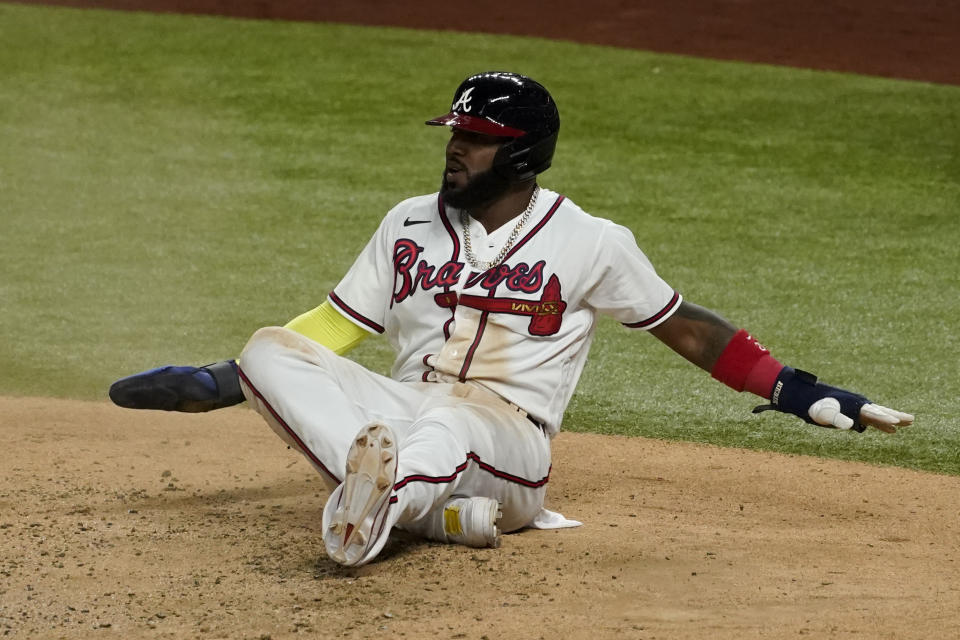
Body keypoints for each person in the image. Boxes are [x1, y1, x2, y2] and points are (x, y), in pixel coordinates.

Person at [110, 71, 914, 567]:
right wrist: (227, 379)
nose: (456, 148)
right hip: (400, 404)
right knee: (269, 348)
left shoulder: (591, 241)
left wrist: (795, 388)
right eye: (456, 132)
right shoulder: (407, 221)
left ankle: (380, 509)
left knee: (446, 435)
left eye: (478, 139)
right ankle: (418, 509)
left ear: (523, 154)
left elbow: (686, 326)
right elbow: (335, 323)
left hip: (507, 438)